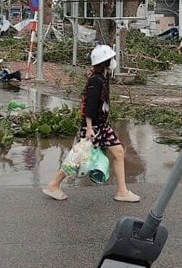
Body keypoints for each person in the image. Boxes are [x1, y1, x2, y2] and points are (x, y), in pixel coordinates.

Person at [43, 44, 141, 203]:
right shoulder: (96, 81)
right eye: (111, 59)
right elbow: (89, 106)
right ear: (106, 62)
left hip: (101, 125)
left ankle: (122, 191)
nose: (113, 62)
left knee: (118, 152)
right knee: (78, 158)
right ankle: (54, 185)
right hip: (94, 127)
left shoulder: (102, 78)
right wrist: (88, 128)